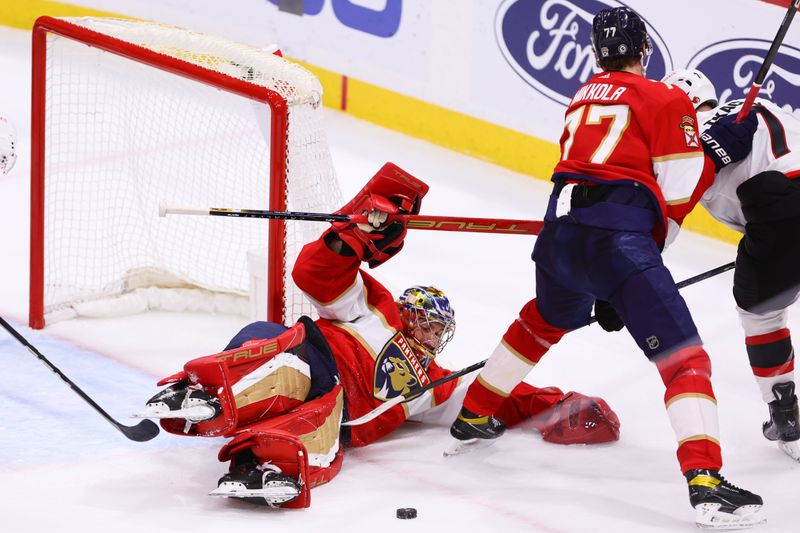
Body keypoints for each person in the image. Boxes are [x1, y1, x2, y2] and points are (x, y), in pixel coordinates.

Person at [138, 162, 621, 509]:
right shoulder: (375, 308)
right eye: (428, 322)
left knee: (319, 441)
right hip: (310, 357)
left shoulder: (436, 384)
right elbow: (316, 275)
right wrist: (353, 237)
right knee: (283, 363)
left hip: (333, 407)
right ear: (409, 313)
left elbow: (495, 396)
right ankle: (206, 389)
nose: (432, 334)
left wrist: (561, 405)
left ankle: (262, 466)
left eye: (440, 329)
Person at [447, 7, 765, 529]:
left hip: (559, 238)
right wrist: (716, 149)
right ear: (645, 50)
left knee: (542, 319)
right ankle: (706, 481)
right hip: (617, 242)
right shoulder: (665, 98)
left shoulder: (582, 95)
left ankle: (474, 414)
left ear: (599, 53)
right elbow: (679, 191)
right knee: (686, 360)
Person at [663, 67, 800, 463]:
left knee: (761, 314)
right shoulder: (759, 106)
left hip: (781, 216)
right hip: (779, 218)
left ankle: (786, 417)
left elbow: (670, 216)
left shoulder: (690, 144)